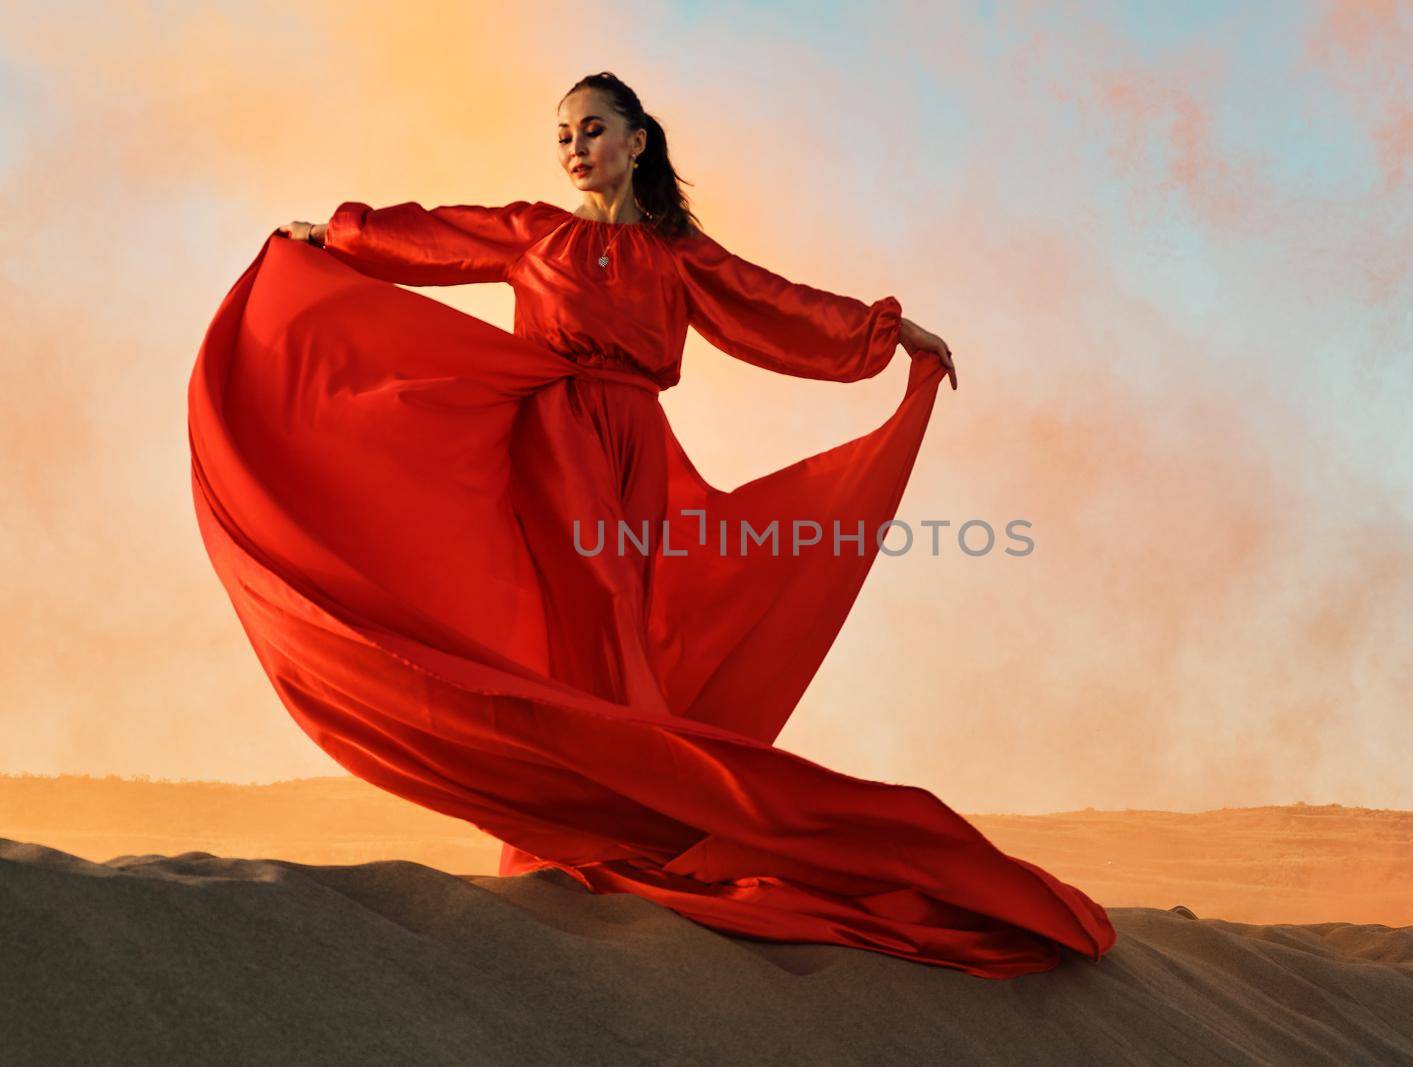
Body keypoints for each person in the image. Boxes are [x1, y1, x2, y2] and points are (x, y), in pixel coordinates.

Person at [191, 71, 1115, 978]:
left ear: (638, 143)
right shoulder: (532, 233)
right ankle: (607, 817)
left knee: (627, 617)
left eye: (592, 130)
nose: (575, 148)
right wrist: (334, 234)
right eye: (563, 134)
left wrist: (888, 334)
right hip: (552, 434)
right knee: (593, 604)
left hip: (639, 447)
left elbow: (773, 303)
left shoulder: (678, 254)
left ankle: (608, 823)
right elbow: (435, 236)